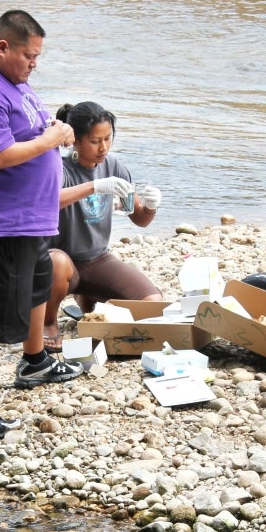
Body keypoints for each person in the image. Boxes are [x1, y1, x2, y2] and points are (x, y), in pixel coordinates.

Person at [0, 10, 84, 440]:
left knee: (39, 283)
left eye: (38, 56)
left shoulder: (14, 84)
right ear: (3, 47)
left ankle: (35, 360)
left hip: (24, 219)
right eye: (29, 54)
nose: (34, 63)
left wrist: (56, 129)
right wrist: (49, 140)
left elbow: (28, 129)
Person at [43, 101, 163, 352]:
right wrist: (95, 186)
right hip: (60, 262)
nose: (103, 147)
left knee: (153, 304)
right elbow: (47, 202)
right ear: (75, 139)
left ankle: (89, 298)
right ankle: (49, 322)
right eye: (95, 141)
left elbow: (138, 217)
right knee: (57, 262)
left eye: (108, 138)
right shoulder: (60, 167)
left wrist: (150, 206)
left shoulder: (114, 167)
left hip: (98, 260)